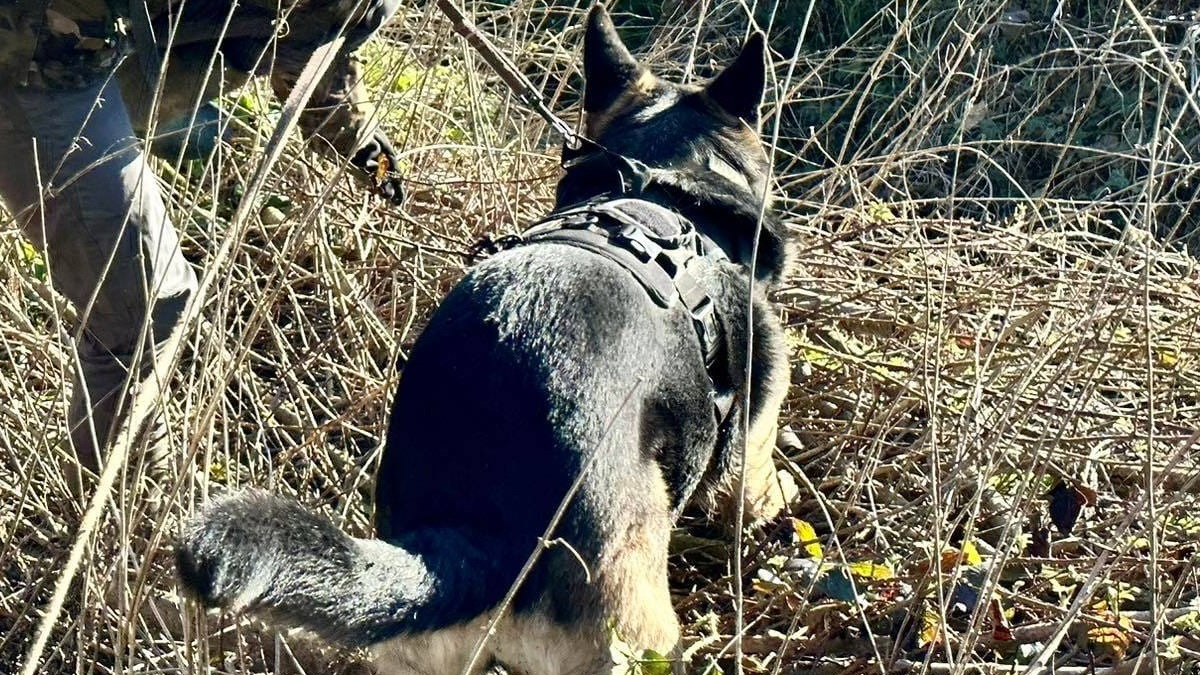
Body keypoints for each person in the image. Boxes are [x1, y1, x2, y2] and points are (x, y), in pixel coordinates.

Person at [0, 0, 405, 495]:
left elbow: (314, 46)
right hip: (34, 55)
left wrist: (369, 155)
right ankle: (121, 520)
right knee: (142, 308)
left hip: (91, 50)